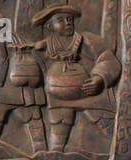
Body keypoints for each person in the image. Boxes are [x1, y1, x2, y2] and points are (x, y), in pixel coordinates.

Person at [31, 4, 120, 152]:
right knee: (59, 128)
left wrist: (99, 78)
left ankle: (119, 149)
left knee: (107, 124)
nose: (67, 23)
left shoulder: (86, 40)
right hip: (58, 92)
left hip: (88, 90)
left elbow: (107, 58)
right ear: (49, 26)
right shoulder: (45, 45)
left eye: (69, 19)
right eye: (61, 20)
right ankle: (56, 154)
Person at [0, 12, 48, 152]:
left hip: (1, 92)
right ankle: (43, 154)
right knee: (34, 124)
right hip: (26, 90)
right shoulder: (16, 37)